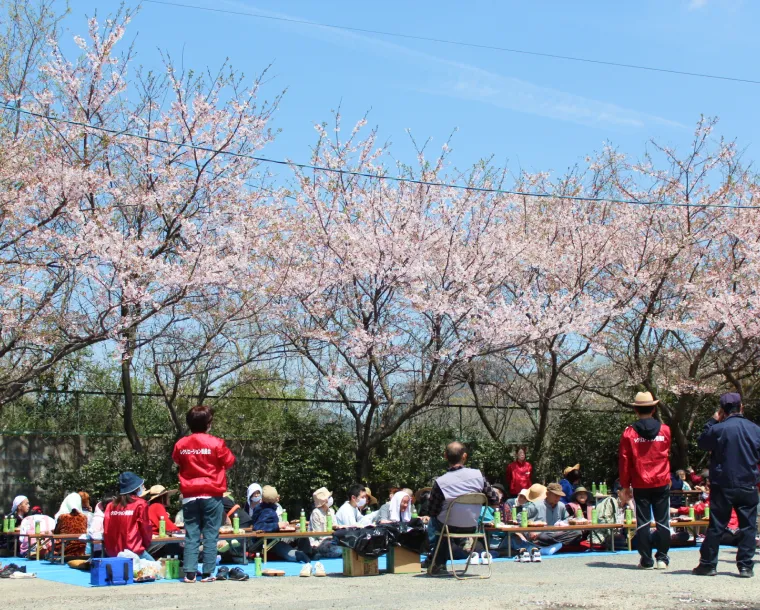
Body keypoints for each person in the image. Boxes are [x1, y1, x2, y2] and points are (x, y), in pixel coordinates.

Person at [693, 392, 760, 578]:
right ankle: (746, 566)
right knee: (748, 526)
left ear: (722, 411)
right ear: (741, 407)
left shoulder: (719, 428)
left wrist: (712, 421)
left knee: (717, 525)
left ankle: (708, 564)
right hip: (748, 482)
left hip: (723, 483)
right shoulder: (755, 429)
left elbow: (702, 442)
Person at [172, 405, 236, 583]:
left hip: (190, 494)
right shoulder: (216, 443)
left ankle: (190, 573)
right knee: (210, 534)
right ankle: (208, 573)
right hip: (211, 493)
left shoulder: (181, 444)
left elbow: (176, 459)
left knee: (191, 533)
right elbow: (229, 461)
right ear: (208, 423)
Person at [426, 441, 499, 573]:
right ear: (464, 456)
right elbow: (494, 499)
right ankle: (464, 542)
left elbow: (432, 510)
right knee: (442, 523)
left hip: (448, 526)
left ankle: (437, 561)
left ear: (445, 456)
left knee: (435, 522)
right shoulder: (478, 475)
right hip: (472, 525)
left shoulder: (440, 481)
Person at [619, 391, 672, 570]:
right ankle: (662, 558)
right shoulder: (665, 430)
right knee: (663, 520)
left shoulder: (629, 433)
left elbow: (625, 460)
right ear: (654, 408)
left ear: (635, 409)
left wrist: (625, 485)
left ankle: (646, 559)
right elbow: (666, 455)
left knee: (643, 521)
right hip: (662, 480)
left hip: (640, 482)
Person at [251, 485, 310, 563]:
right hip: (269, 542)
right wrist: (278, 525)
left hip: (273, 538)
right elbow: (258, 526)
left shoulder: (260, 507)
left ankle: (308, 553)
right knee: (286, 548)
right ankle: (305, 555)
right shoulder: (268, 511)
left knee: (300, 534)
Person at [103, 472, 153, 560]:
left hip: (113, 553)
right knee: (157, 571)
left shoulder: (110, 505)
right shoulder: (140, 504)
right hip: (134, 550)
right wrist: (145, 545)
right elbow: (145, 528)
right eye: (142, 485)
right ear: (136, 488)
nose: (143, 488)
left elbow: (106, 529)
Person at [525, 482, 582, 553]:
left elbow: (566, 519)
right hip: (542, 534)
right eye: (555, 495)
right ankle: (555, 545)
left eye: (559, 496)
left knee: (577, 532)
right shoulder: (535, 506)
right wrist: (530, 530)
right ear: (547, 494)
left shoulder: (561, 506)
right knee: (542, 536)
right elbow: (520, 519)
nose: (558, 498)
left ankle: (553, 546)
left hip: (557, 534)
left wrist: (565, 522)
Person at [309, 487, 341, 559]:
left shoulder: (331, 511)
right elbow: (318, 535)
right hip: (319, 543)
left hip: (332, 540)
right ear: (324, 500)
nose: (331, 498)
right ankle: (317, 553)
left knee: (347, 549)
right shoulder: (316, 513)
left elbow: (335, 525)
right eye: (329, 497)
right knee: (339, 551)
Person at [53, 492, 88, 557]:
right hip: (80, 550)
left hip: (64, 550)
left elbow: (56, 533)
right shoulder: (84, 517)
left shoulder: (63, 517)